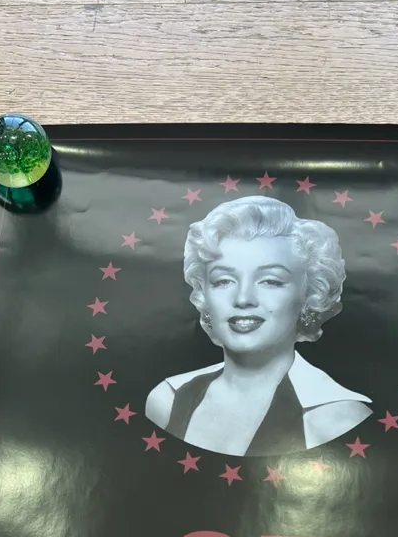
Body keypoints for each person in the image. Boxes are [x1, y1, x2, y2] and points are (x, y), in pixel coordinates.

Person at [145, 195, 372, 457]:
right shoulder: (168, 400)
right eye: (223, 281)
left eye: (270, 281)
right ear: (203, 294)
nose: (243, 299)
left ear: (309, 295)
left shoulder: (336, 419)